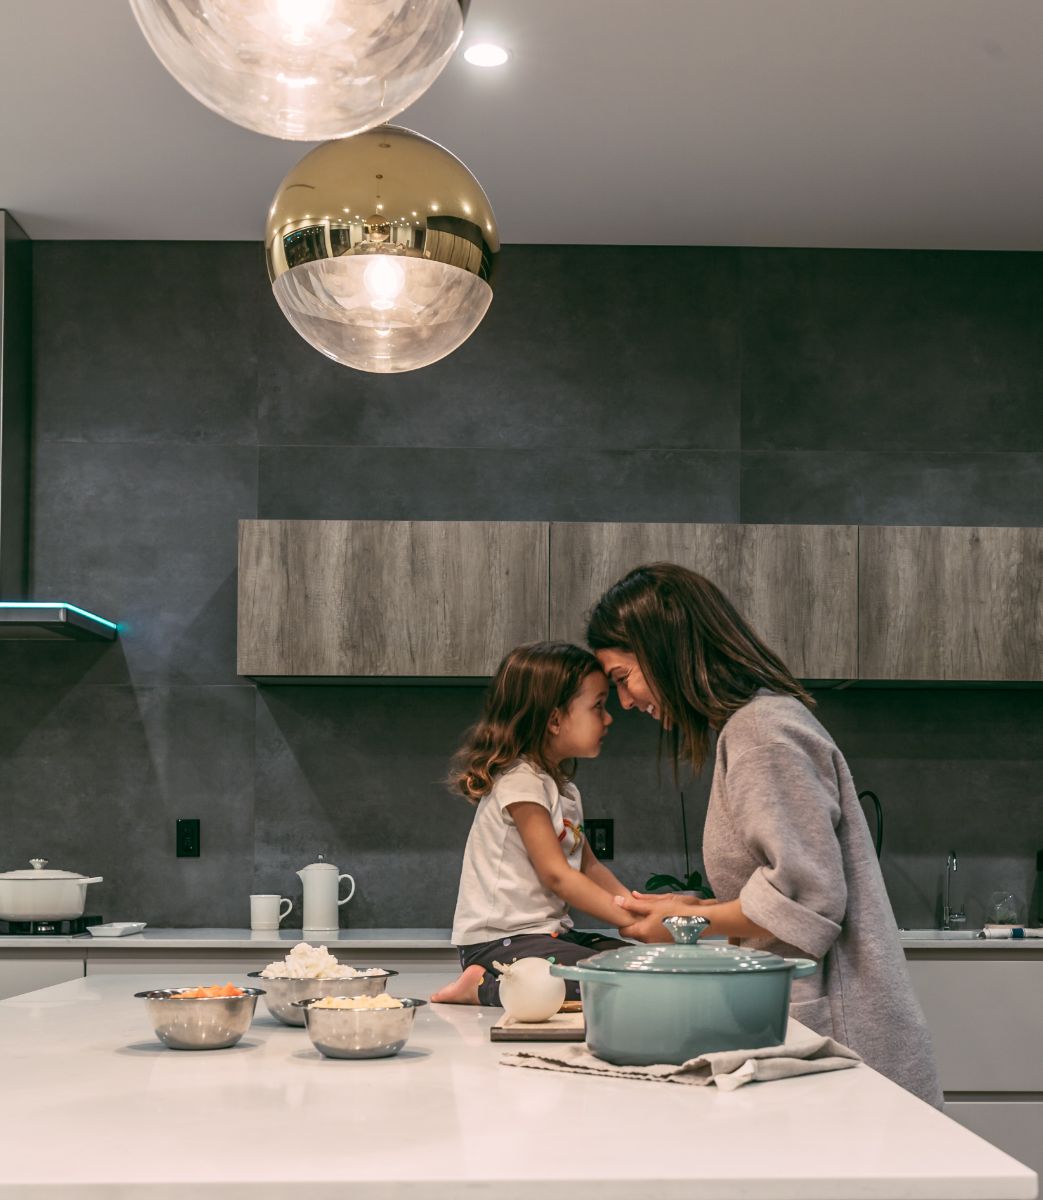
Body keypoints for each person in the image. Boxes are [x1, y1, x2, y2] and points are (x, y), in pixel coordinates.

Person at [588, 563, 943, 1108]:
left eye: (621, 678)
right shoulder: (754, 727)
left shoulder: (761, 734)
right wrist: (700, 906)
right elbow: (784, 886)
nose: (626, 702)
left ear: (664, 649)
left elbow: (807, 900)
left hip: (838, 1036)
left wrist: (689, 922)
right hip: (808, 1024)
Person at [431, 641, 636, 1006]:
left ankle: (512, 983)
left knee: (639, 966)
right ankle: (482, 986)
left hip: (544, 938)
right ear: (555, 720)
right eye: (598, 706)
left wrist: (635, 911)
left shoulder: (563, 789)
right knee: (617, 980)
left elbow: (588, 866)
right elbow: (556, 875)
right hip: (499, 945)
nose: (609, 718)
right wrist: (628, 920)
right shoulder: (521, 782)